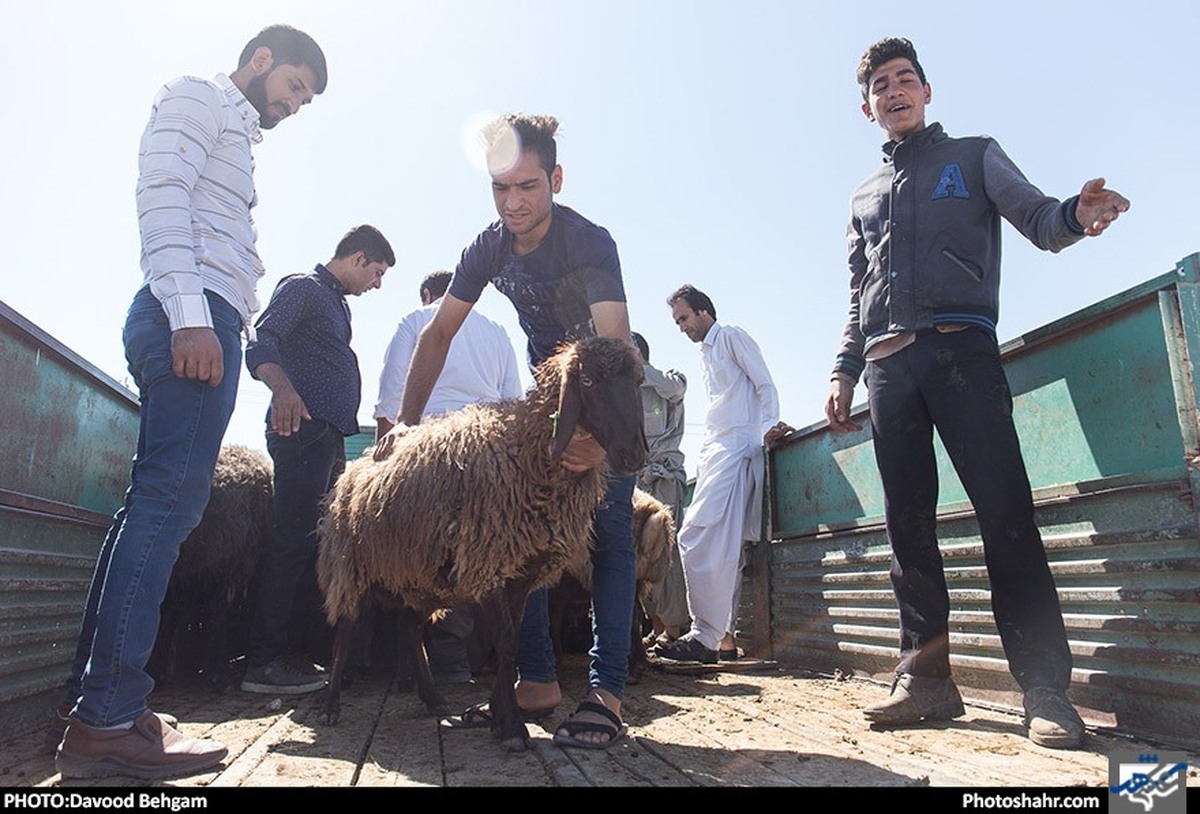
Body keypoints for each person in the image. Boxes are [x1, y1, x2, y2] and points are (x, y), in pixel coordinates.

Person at [825, 37, 1129, 749]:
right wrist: (843, 368)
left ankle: (1045, 690)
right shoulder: (862, 195)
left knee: (1005, 515)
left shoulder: (974, 154)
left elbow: (1036, 217)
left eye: (905, 80)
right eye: (880, 86)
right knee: (907, 527)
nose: (893, 92)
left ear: (927, 92)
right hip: (887, 371)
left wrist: (1075, 217)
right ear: (865, 107)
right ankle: (927, 681)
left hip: (963, 353)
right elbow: (855, 292)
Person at [55, 24, 327, 779]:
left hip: (202, 312)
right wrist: (191, 316)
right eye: (296, 86)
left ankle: (96, 702)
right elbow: (163, 195)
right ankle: (108, 719)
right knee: (169, 508)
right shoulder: (197, 97)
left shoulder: (237, 136)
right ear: (263, 59)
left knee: (150, 507)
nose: (298, 104)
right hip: (191, 313)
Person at [377, 113, 637, 750]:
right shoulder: (489, 246)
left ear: (555, 178)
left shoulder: (588, 241)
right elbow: (438, 334)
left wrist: (596, 441)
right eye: (501, 188)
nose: (514, 202)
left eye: (528, 186)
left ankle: (606, 693)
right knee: (521, 537)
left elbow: (613, 345)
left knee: (609, 531)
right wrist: (406, 431)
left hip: (607, 395)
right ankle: (538, 683)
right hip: (547, 401)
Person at [239, 224, 394, 694]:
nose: (377, 284)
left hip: (327, 438)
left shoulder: (337, 306)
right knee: (293, 542)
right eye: (377, 272)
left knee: (316, 547)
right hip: (302, 430)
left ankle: (295, 656)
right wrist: (283, 390)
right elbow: (262, 343)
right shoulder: (303, 288)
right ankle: (263, 662)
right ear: (358, 258)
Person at [374, 269, 522, 683]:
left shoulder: (417, 320)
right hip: (487, 453)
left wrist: (383, 464)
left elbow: (391, 395)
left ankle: (431, 662)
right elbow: (513, 401)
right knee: (484, 552)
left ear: (427, 294)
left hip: (430, 451)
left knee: (429, 555)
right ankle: (477, 660)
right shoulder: (497, 332)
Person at [656, 286, 791, 664]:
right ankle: (722, 640)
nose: (681, 327)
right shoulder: (706, 353)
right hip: (717, 452)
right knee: (722, 547)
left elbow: (764, 384)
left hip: (737, 450)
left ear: (703, 312)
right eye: (677, 322)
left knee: (694, 536)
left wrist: (764, 432)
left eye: (683, 318)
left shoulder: (731, 336)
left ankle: (706, 637)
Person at [629, 332, 690, 647]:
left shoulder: (669, 380)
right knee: (640, 556)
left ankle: (675, 627)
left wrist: (640, 368)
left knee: (665, 553)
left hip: (663, 480)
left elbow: (676, 388)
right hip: (635, 482)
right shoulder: (625, 393)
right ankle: (655, 626)